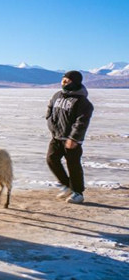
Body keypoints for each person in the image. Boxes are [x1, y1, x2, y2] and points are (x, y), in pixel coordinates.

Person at [45, 70, 93, 204]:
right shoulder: (57, 96)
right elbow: (49, 110)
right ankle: (67, 186)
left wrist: (74, 138)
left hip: (72, 140)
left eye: (68, 80)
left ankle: (78, 193)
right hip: (56, 137)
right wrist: (51, 125)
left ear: (75, 82)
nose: (64, 82)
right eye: (63, 79)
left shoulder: (82, 101)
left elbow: (82, 122)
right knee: (51, 159)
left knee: (73, 165)